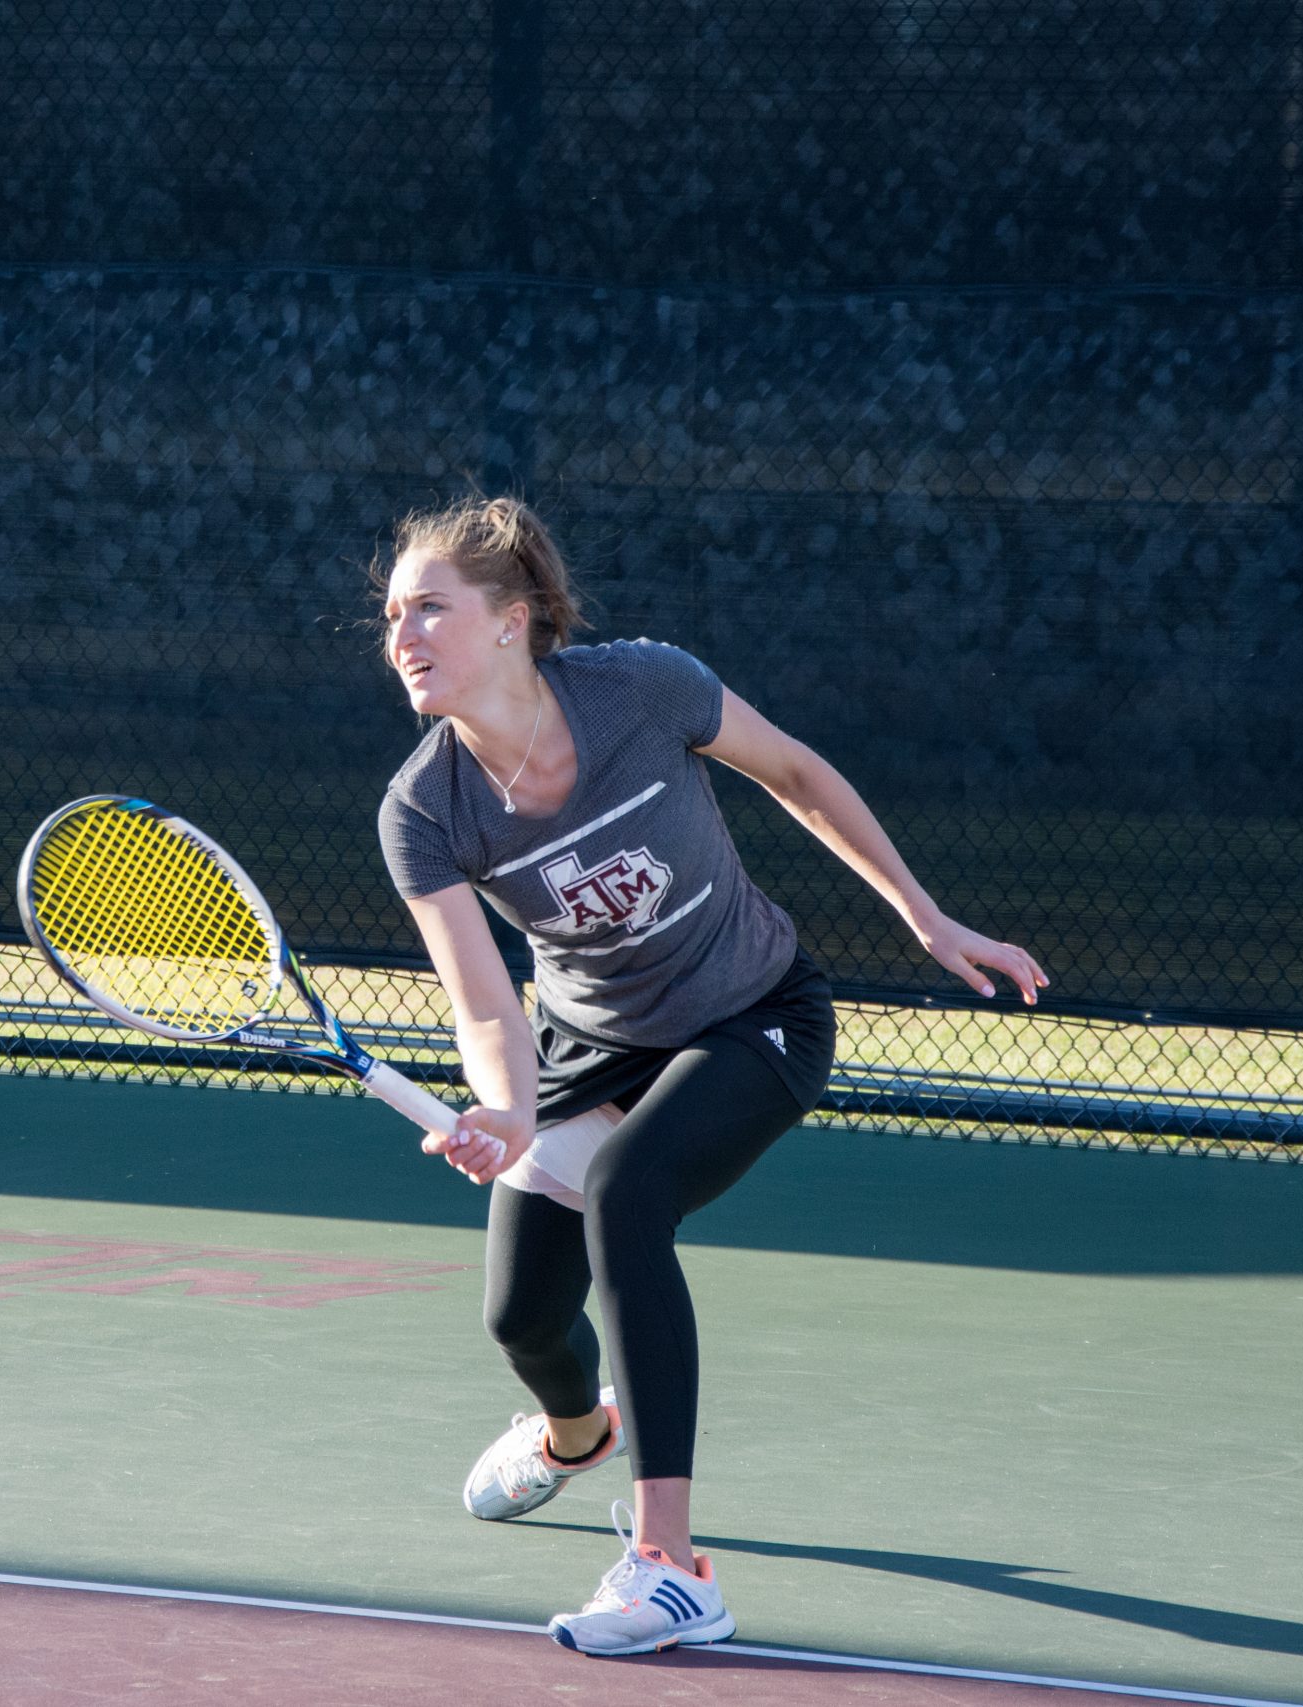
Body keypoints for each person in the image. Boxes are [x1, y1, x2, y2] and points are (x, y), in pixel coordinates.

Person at [374, 495, 1048, 1657]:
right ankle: (578, 1434)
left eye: (430, 607)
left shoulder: (641, 687)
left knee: (631, 1195)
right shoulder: (422, 809)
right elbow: (485, 998)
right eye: (392, 615)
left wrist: (923, 916)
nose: (403, 636)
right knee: (522, 1317)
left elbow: (794, 771)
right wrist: (506, 1103)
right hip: (589, 1048)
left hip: (752, 1015)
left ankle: (669, 1567)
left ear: (512, 620)